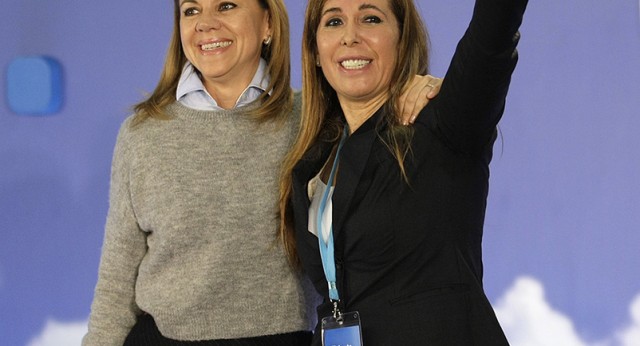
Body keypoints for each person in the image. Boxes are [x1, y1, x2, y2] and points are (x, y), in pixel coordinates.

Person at [82, 0, 443, 345]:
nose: (205, 23)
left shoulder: (316, 120)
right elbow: (116, 285)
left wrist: (429, 89)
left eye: (226, 6)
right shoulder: (142, 133)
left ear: (268, 23)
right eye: (191, 10)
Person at [279, 0, 528, 344]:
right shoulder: (311, 164)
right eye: (333, 22)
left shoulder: (441, 123)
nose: (350, 36)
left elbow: (491, 40)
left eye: (371, 18)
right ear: (316, 52)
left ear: (402, 39)